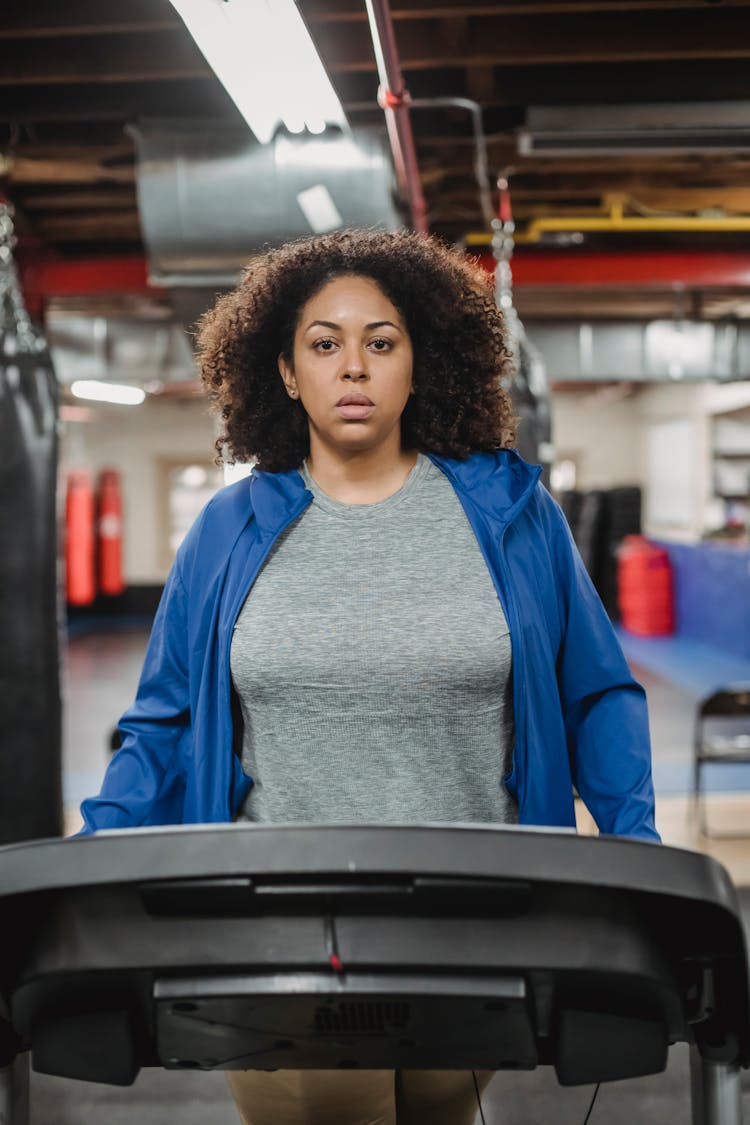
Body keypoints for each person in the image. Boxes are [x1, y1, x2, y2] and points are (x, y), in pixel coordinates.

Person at [78, 227, 659, 1124]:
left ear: (419, 365)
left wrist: (636, 849)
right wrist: (93, 859)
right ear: (283, 371)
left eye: (380, 342)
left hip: (474, 924)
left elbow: (596, 692)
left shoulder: (511, 513)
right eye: (325, 343)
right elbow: (164, 725)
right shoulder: (227, 530)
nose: (354, 366)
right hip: (276, 923)